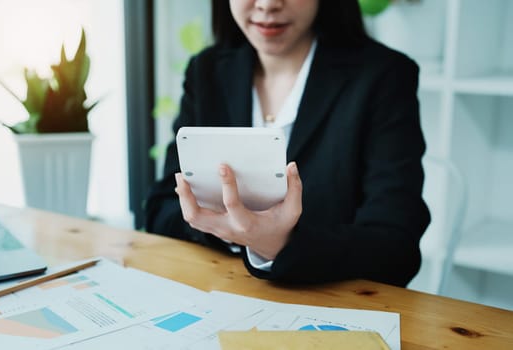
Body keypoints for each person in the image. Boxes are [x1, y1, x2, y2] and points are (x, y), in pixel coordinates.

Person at [145, 0, 430, 287]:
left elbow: (397, 248)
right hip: (226, 291)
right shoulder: (207, 70)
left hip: (332, 307)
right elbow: (161, 208)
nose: (268, 4)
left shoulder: (385, 75)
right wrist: (229, 232)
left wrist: (280, 245)